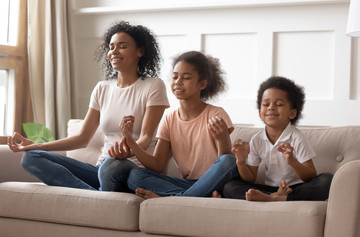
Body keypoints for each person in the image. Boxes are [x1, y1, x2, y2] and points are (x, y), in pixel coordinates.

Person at [7, 21, 169, 191]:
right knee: (31, 158)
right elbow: (82, 138)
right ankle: (95, 196)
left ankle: (98, 198)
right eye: (111, 47)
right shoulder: (102, 88)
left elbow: (145, 138)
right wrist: (38, 145)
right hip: (101, 170)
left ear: (140, 51)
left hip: (130, 170)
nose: (114, 51)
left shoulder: (153, 86)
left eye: (122, 46)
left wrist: (128, 153)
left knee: (112, 165)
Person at [119, 50, 239, 199]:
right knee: (135, 176)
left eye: (186, 78)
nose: (178, 82)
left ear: (202, 84)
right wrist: (131, 141)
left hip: (215, 183)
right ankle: (194, 197)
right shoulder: (169, 118)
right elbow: (157, 165)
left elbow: (224, 164)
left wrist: (222, 139)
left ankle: (174, 199)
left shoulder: (216, 114)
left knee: (229, 160)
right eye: (175, 77)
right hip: (188, 184)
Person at [223, 76, 333, 201]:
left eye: (279, 104)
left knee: (327, 181)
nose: (271, 107)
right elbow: (251, 178)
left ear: (292, 113)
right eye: (266, 104)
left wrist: (292, 161)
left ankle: (274, 199)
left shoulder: (297, 138)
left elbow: (310, 176)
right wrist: (241, 161)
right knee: (229, 186)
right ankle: (273, 196)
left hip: (296, 188)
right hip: (269, 188)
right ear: (260, 113)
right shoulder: (257, 139)